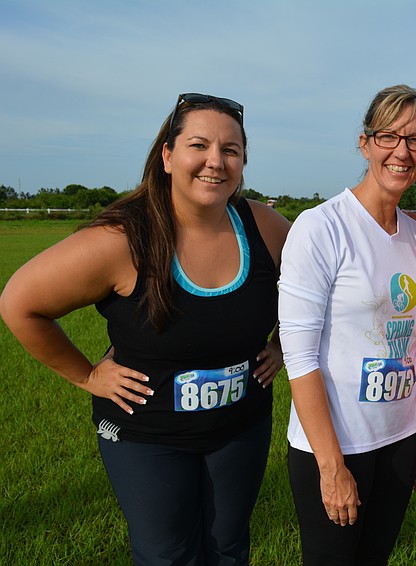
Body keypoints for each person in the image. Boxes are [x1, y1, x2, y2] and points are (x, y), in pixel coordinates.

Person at [0, 92, 291, 564]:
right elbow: (19, 304)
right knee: (167, 556)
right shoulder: (121, 240)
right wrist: (87, 375)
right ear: (168, 155)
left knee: (229, 548)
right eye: (199, 145)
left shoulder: (263, 225)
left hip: (241, 428)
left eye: (231, 150)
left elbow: (317, 286)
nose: (215, 162)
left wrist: (283, 344)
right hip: (146, 437)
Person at [278, 84, 416, 565]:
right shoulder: (320, 226)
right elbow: (299, 356)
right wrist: (331, 467)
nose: (402, 152)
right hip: (337, 445)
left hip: (400, 436)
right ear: (365, 142)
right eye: (389, 136)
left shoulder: (413, 234)